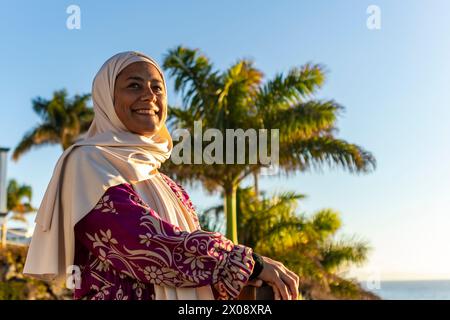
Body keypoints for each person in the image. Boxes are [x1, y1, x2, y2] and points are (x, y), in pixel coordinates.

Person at [23, 51, 299, 300]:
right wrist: (249, 263)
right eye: (134, 85)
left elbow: (195, 271)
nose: (149, 96)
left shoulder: (167, 185)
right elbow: (141, 241)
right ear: (107, 98)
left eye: (157, 88)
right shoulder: (86, 161)